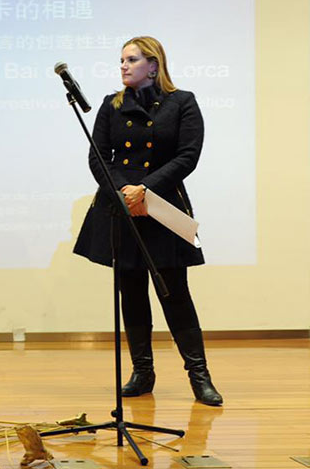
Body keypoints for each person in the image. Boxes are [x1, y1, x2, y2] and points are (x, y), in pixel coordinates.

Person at [73, 36, 222, 406]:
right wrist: (125, 190)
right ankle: (142, 372)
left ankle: (199, 376)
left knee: (174, 292)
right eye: (121, 60)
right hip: (120, 207)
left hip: (162, 205)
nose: (123, 66)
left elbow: (188, 156)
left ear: (153, 65)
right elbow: (98, 158)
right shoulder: (111, 105)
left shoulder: (182, 103)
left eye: (131, 59)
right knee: (132, 291)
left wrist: (146, 188)